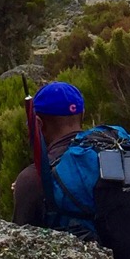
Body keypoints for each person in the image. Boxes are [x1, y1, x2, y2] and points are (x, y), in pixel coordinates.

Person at [12, 81, 86, 228]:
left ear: (37, 123)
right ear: (82, 114)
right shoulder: (121, 154)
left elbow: (19, 244)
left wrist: (25, 189)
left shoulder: (33, 178)